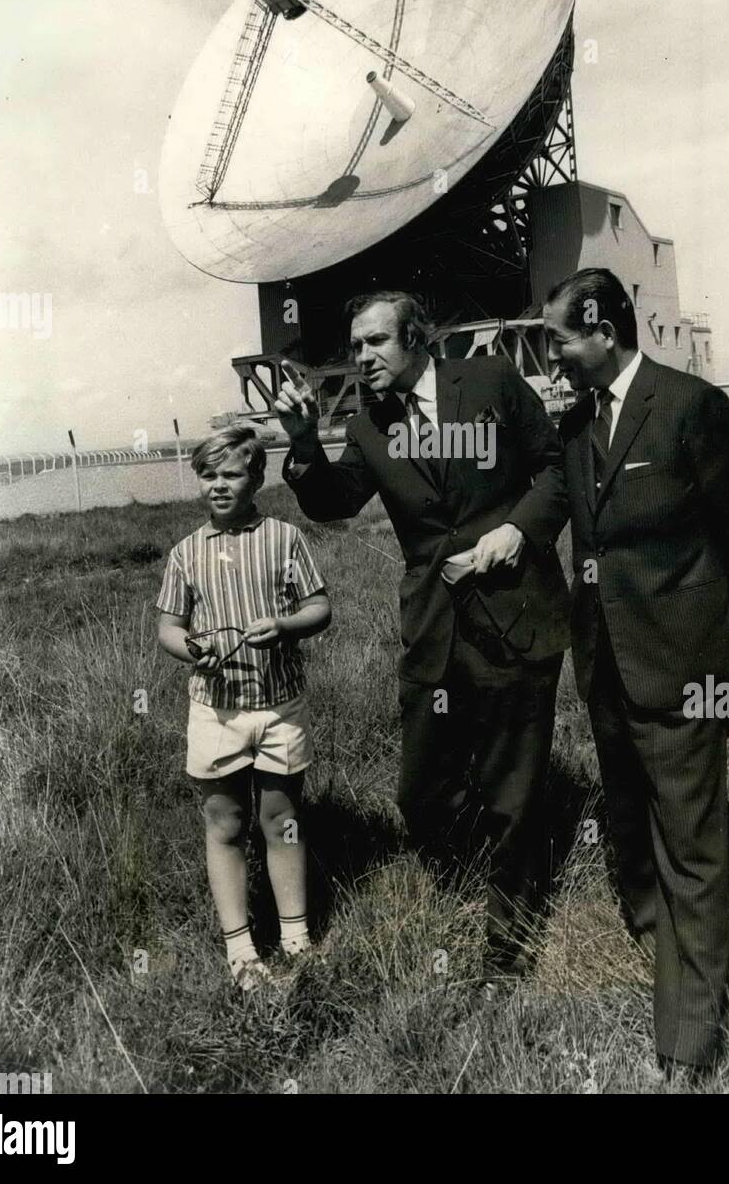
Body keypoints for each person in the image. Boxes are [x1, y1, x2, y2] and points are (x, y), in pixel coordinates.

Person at [275, 291, 570, 984]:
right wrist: (301, 441)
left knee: (512, 788)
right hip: (434, 629)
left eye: (375, 342)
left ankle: (509, 936)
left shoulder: (492, 380)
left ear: (416, 339)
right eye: (355, 347)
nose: (362, 358)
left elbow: (555, 469)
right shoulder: (371, 423)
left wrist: (516, 531)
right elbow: (334, 503)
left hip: (514, 611)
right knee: (422, 792)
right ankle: (485, 869)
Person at [542, 267, 729, 1075]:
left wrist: (703, 631)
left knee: (695, 853)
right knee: (635, 835)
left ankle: (690, 1044)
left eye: (560, 337)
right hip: (605, 671)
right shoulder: (575, 430)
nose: (552, 353)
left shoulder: (689, 407)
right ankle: (659, 950)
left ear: (602, 330)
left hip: (680, 668)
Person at [155, 424, 331, 990]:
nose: (219, 485)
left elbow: (320, 608)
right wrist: (191, 650)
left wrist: (283, 625)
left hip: (279, 705)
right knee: (224, 820)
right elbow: (168, 626)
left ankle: (297, 937)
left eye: (232, 474)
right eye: (209, 475)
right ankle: (240, 948)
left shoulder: (284, 538)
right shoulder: (186, 553)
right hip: (217, 710)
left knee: (280, 819)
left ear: (257, 478)